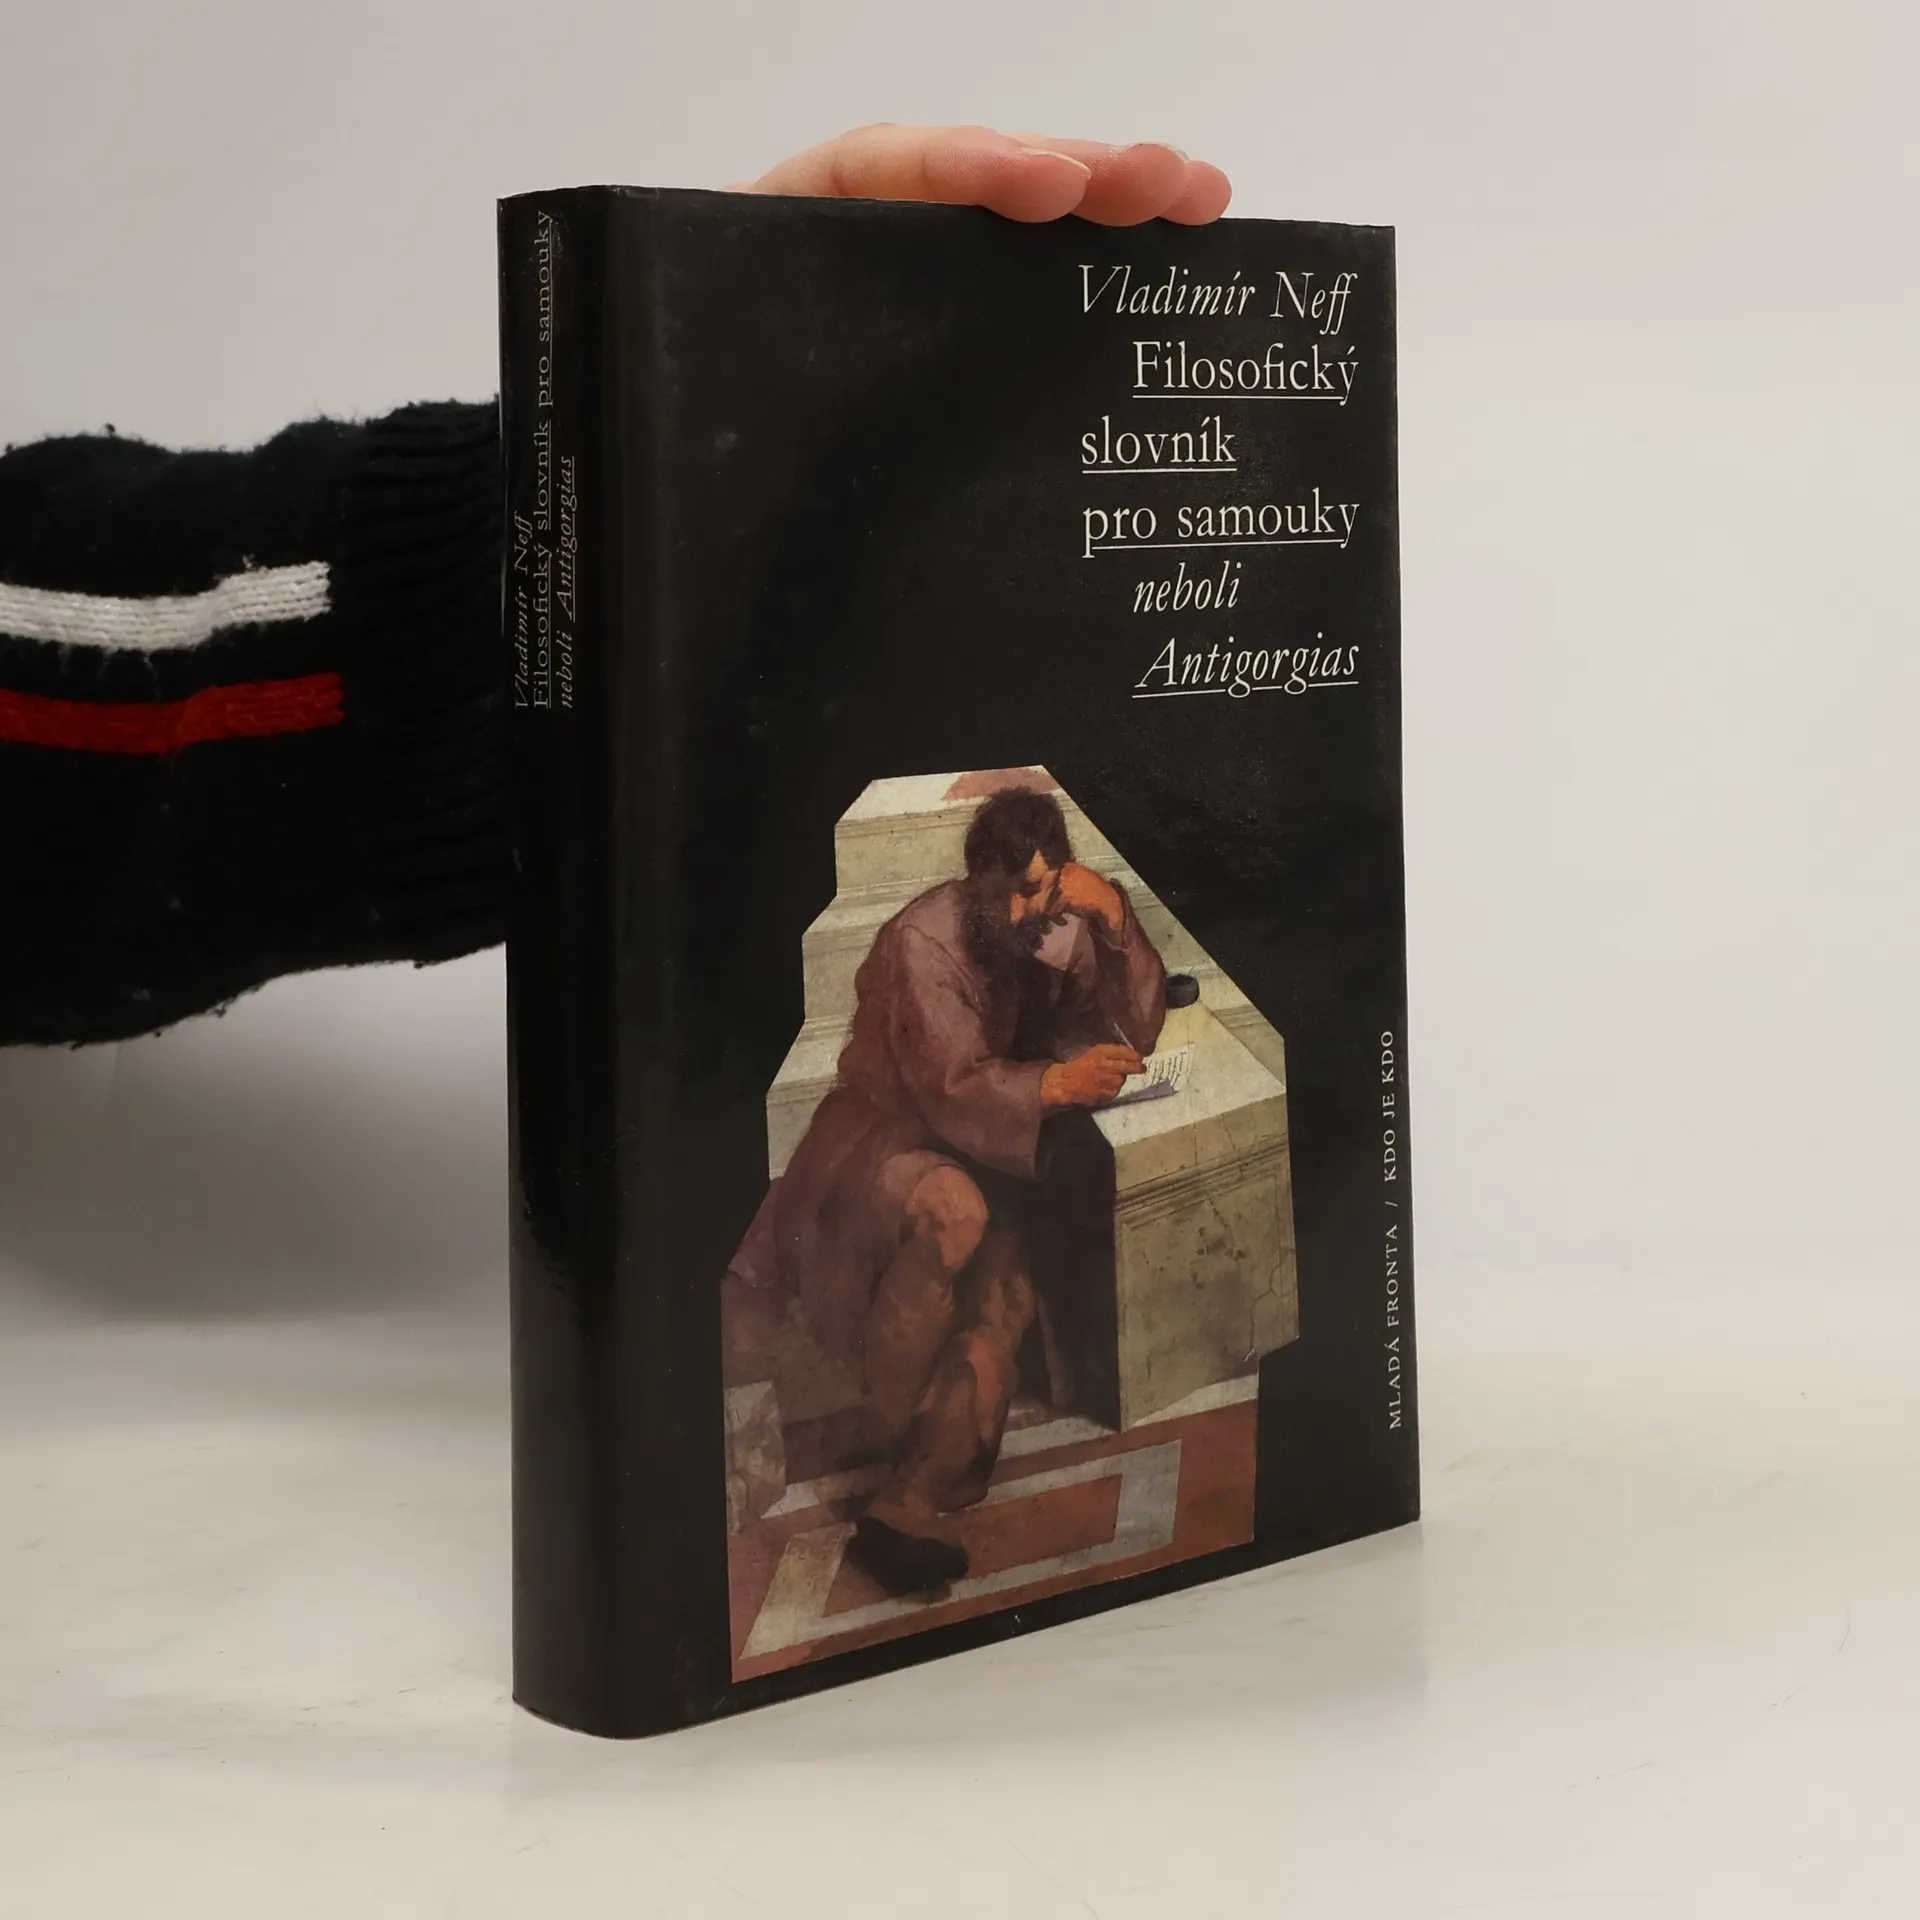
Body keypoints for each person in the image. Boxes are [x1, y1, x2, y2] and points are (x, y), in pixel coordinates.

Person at [0, 125, 1230, 1048]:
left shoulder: (1071, 897)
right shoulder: (925, 942)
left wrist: (604, 512)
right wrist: (572, 566)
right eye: (1026, 885)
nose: (1038, 900)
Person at [725, 784, 1168, 1594]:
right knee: (955, 1215)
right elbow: (949, 1089)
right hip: (879, 1140)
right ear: (976, 883)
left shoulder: (1058, 920)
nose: (1022, 912)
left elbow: (1137, 1027)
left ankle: (911, 1497)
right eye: (1006, 895)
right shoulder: (921, 941)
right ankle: (903, 1459)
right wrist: (1057, 1084)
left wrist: (1112, 919)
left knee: (1008, 1296)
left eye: (1039, 890)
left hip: (993, 1145)